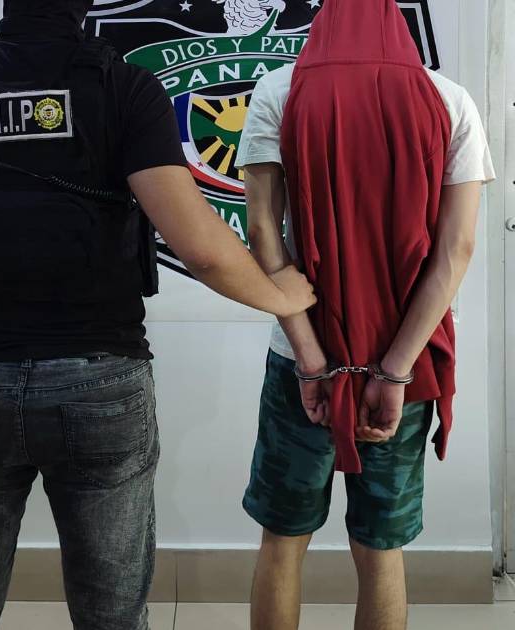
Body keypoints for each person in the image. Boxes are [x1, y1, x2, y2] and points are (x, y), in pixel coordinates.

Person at [0, 1, 315, 628]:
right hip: (98, 388)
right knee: (112, 611)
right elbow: (201, 250)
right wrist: (284, 296)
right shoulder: (123, 86)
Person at [236, 1, 496, 629]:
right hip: (404, 362)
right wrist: (395, 368)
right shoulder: (450, 99)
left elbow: (263, 235)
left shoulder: (280, 90)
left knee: (283, 539)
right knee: (381, 550)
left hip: (301, 357)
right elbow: (455, 249)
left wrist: (311, 360)